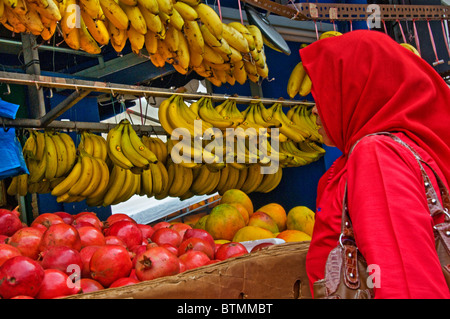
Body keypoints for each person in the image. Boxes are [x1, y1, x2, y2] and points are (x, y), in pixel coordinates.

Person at [300, 30, 450, 299]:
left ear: (358, 90)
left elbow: (406, 283)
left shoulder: (377, 156)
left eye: (324, 93)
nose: (314, 109)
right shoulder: (400, 146)